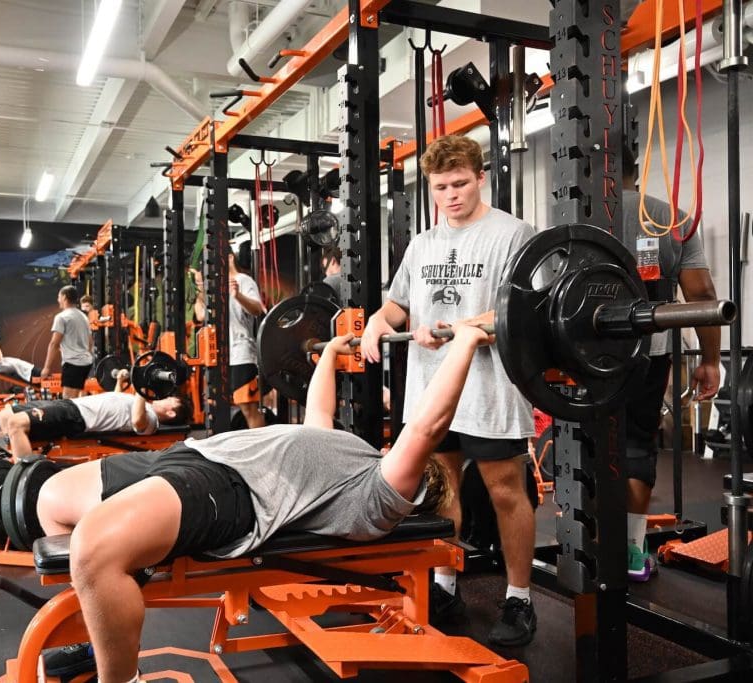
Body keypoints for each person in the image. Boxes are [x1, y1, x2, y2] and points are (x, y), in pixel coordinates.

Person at [33, 321, 491, 683]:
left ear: (414, 489)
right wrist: (330, 353)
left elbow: (425, 430)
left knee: (92, 549)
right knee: (51, 499)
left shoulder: (380, 497)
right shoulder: (355, 459)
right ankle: (99, 639)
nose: (393, 451)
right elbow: (319, 416)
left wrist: (464, 345)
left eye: (405, 462)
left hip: (231, 488)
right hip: (197, 454)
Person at [361, 134, 538, 647]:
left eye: (461, 183)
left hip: (491, 390)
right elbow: (398, 306)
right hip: (432, 391)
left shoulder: (512, 233)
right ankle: (444, 585)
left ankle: (520, 599)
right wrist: (377, 322)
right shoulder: (423, 244)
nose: (452, 195)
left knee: (507, 490)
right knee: (441, 489)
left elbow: (517, 310)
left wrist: (451, 326)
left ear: (480, 177)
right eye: (441, 187)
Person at [621, 146, 721, 581]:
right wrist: (711, 361)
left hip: (584, 362)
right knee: (637, 448)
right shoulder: (672, 219)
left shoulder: (569, 215)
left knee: (584, 448)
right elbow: (701, 297)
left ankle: (590, 544)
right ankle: (628, 550)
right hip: (648, 355)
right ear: (635, 170)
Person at [0, 370, 188, 458]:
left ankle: (22, 475)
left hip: (77, 417)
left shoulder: (151, 420)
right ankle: (18, 454)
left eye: (170, 399)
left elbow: (137, 422)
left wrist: (140, 389)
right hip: (71, 405)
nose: (165, 397)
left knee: (16, 423)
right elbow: (115, 401)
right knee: (5, 415)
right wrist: (121, 381)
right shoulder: (143, 403)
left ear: (170, 413)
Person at [228, 243, 267, 429]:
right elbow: (202, 315)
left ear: (229, 258)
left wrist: (237, 296)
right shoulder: (214, 286)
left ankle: (263, 451)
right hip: (222, 355)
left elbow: (257, 309)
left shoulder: (243, 280)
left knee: (248, 408)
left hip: (241, 352)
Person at [42, 285, 94, 399]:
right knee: (77, 398)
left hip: (73, 364)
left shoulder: (62, 317)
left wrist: (46, 368)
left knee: (68, 400)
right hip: (86, 363)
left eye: (59, 297)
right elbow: (90, 342)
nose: (58, 300)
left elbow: (54, 344)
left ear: (64, 297)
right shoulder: (83, 316)